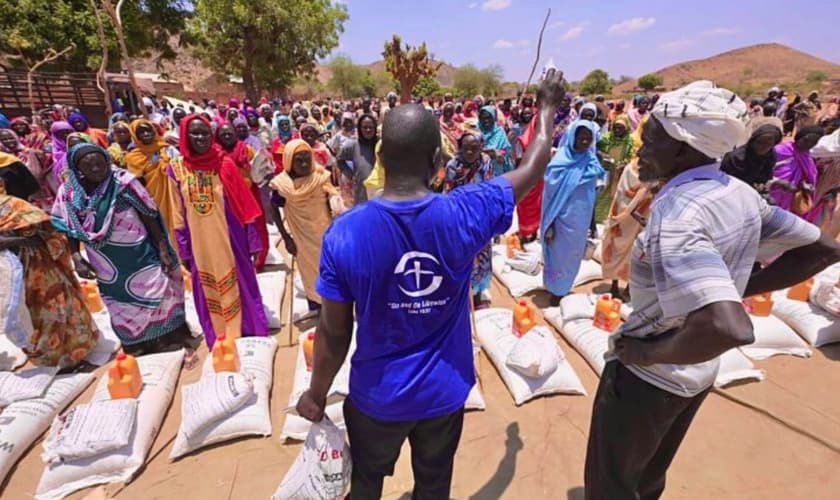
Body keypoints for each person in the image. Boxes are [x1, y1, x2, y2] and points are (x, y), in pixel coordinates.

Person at [293, 69, 567, 500]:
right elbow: (533, 165)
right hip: (443, 396)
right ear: (438, 163)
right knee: (434, 487)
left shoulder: (345, 232)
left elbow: (334, 332)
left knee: (365, 484)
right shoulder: (466, 212)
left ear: (380, 159)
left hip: (375, 398)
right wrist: (547, 107)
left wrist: (316, 393)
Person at [583, 81, 840, 500]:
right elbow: (823, 249)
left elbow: (727, 327)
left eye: (651, 139)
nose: (641, 148)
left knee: (609, 487)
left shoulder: (678, 214)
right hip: (696, 375)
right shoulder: (737, 193)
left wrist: (645, 352)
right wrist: (741, 286)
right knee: (648, 478)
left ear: (684, 147)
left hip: (648, 378)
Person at [51, 144, 194, 358]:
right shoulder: (70, 194)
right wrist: (76, 256)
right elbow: (70, 228)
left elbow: (149, 214)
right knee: (120, 302)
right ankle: (136, 341)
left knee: (156, 291)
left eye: (100, 164)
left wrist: (162, 246)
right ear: (78, 169)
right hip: (105, 262)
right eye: (89, 166)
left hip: (140, 252)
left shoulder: (124, 183)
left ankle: (168, 336)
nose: (97, 169)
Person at [168, 114, 269, 347]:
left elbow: (245, 206)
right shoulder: (175, 169)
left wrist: (253, 241)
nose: (201, 137)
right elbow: (177, 213)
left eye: (205, 132)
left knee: (241, 281)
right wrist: (183, 249)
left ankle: (246, 331)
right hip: (199, 242)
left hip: (231, 236)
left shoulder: (224, 163)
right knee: (206, 286)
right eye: (195, 133)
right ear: (185, 136)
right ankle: (221, 337)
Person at [0, 193, 99, 369]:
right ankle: (48, 360)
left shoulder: (14, 206)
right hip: (9, 276)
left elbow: (47, 233)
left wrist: (11, 241)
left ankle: (73, 356)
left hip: (39, 268)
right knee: (26, 316)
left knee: (55, 309)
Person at [268, 139, 344, 319]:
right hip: (301, 239)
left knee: (332, 272)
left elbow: (334, 201)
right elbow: (273, 207)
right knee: (310, 275)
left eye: (306, 159)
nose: (304, 164)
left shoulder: (320, 178)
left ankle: (336, 312)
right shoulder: (282, 185)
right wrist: (286, 238)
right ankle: (320, 311)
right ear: (288, 162)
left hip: (325, 234)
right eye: (298, 160)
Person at [541, 120, 604, 306]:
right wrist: (550, 222)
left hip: (580, 220)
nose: (585, 142)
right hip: (559, 220)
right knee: (558, 256)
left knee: (573, 257)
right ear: (571, 138)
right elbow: (550, 197)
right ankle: (555, 290)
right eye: (581, 138)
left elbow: (593, 194)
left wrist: (592, 223)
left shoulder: (591, 161)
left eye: (588, 138)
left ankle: (564, 286)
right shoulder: (559, 163)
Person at [442, 132, 495, 307]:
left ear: (481, 148)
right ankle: (462, 297)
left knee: (482, 258)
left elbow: (490, 190)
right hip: (460, 220)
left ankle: (478, 294)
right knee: (461, 258)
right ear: (459, 148)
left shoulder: (486, 163)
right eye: (466, 148)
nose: (470, 152)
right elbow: (449, 194)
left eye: (475, 148)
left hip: (482, 220)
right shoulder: (452, 166)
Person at [217, 123, 269, 270]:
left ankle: (259, 260)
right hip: (226, 197)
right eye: (223, 134)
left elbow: (259, 171)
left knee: (256, 226)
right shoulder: (215, 154)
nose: (227, 136)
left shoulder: (247, 150)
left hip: (249, 193)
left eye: (229, 133)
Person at [124, 119, 179, 246]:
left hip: (173, 193)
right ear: (135, 135)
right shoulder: (133, 157)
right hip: (152, 198)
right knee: (162, 225)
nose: (146, 134)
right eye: (141, 132)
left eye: (148, 130)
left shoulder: (167, 149)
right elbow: (135, 181)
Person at [770, 125, 825, 222]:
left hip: (789, 200)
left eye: (813, 142)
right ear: (799, 136)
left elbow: (811, 181)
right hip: (770, 193)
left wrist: (807, 187)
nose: (808, 144)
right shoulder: (780, 150)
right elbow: (763, 170)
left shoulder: (808, 160)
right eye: (806, 140)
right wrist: (778, 182)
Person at [721, 120, 784, 196]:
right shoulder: (735, 158)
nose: (763, 147)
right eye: (759, 142)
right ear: (753, 140)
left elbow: (765, 178)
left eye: (768, 144)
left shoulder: (770, 157)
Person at [335, 114, 377, 207]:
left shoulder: (380, 143)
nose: (368, 130)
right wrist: (350, 174)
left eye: (371, 127)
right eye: (365, 127)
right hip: (362, 190)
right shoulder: (353, 145)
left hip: (380, 190)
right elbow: (339, 159)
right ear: (359, 128)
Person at [477, 105, 513, 176]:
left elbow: (507, 150)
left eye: (488, 117)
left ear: (494, 118)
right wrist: (492, 151)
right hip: (480, 170)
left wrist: (500, 153)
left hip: (497, 169)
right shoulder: (476, 132)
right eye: (483, 118)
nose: (486, 120)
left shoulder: (499, 131)